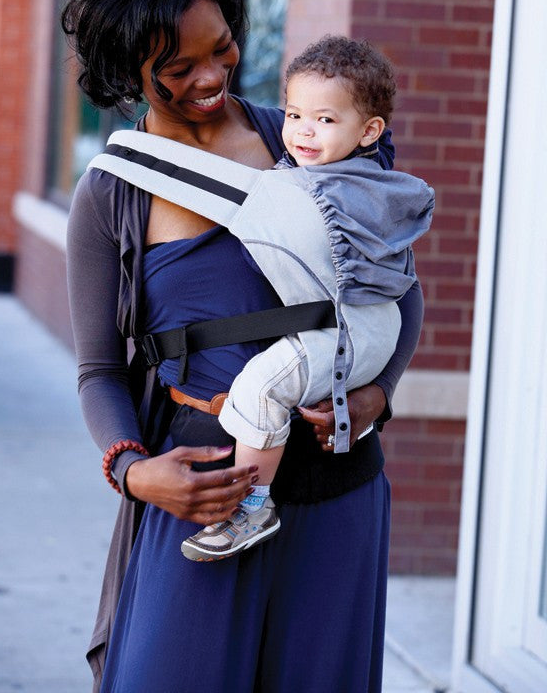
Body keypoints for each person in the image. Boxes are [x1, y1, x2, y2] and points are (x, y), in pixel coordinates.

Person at [64, 0, 426, 693]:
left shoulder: (308, 140)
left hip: (337, 489)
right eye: (178, 67)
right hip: (203, 495)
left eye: (222, 49)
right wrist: (132, 473)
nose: (211, 77)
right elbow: (99, 368)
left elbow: (397, 288)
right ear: (129, 72)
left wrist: (376, 395)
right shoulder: (112, 194)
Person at [181, 35, 434, 562]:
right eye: (294, 115)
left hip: (354, 330)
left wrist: (379, 388)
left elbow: (402, 283)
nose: (301, 132)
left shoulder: (354, 190)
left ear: (369, 132)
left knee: (258, 388)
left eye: (324, 120)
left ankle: (252, 507)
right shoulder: (330, 174)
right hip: (354, 327)